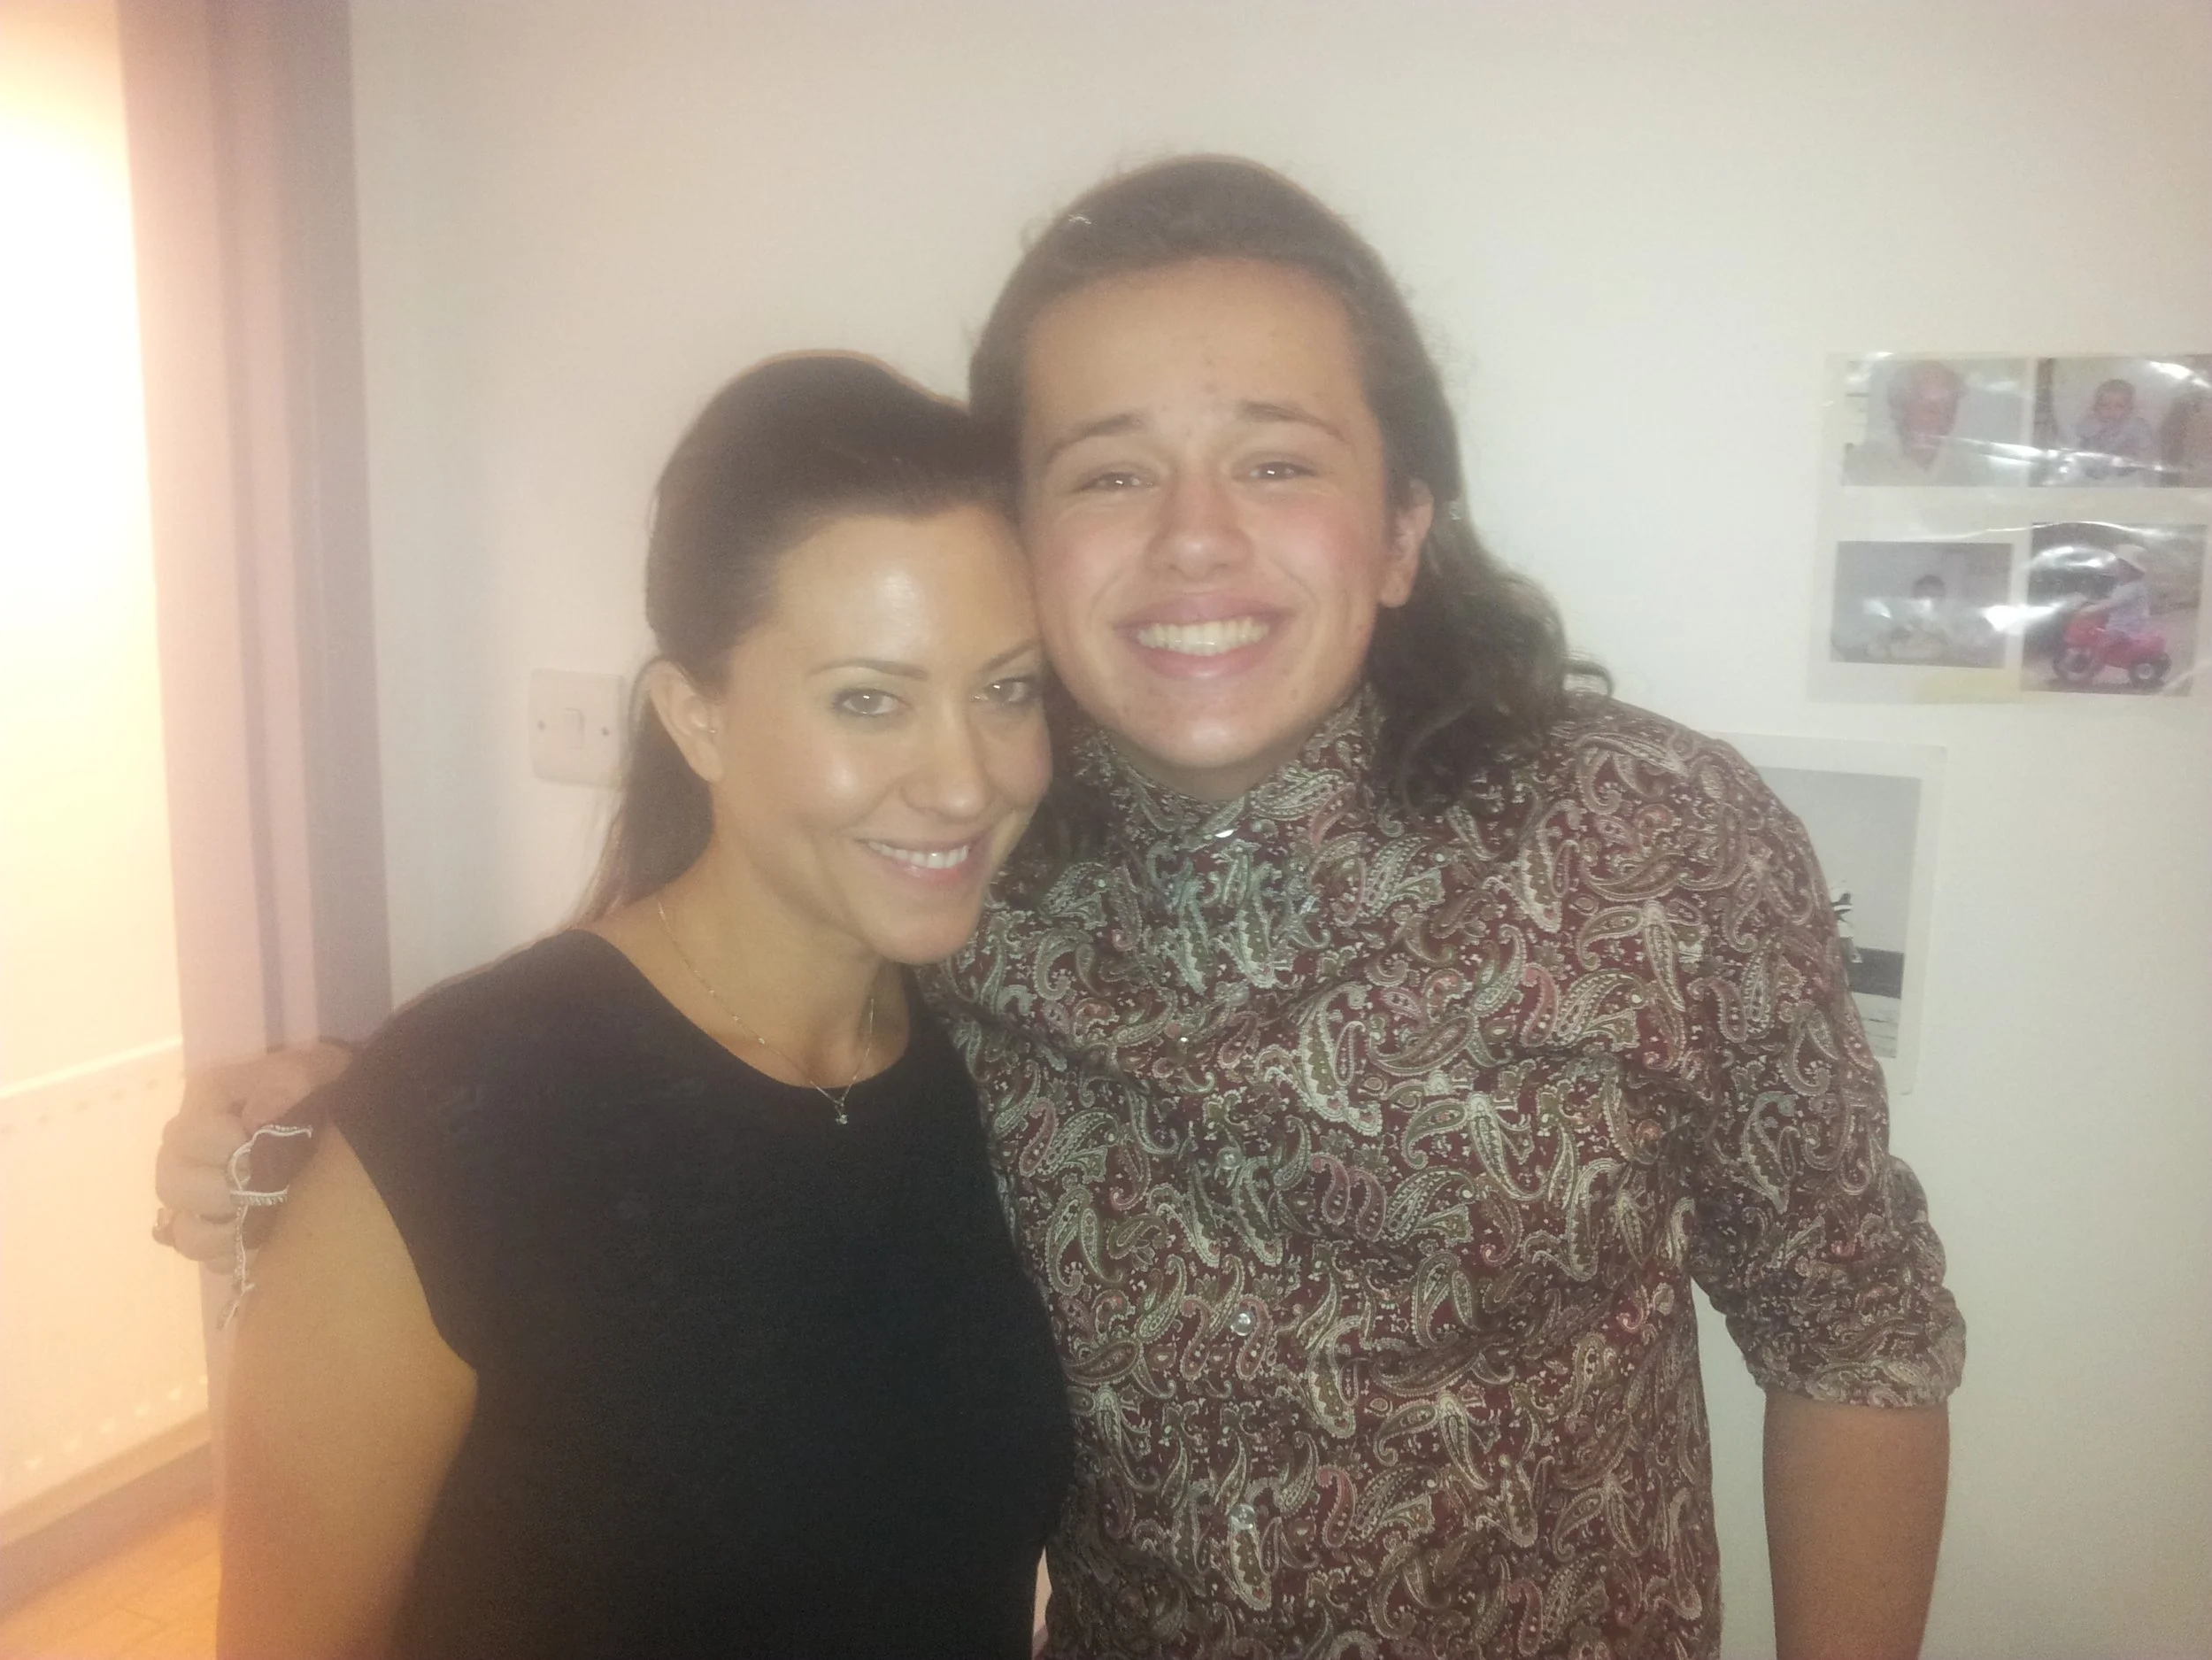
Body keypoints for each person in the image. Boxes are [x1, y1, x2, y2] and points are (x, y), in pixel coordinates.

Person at [164, 157, 1963, 1660]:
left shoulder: (1655, 840)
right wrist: (326, 1133)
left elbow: (1854, 1328)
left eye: (1276, 460)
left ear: (1403, 527)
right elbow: (672, 1067)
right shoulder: (980, 860)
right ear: (1025, 534)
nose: (1191, 537)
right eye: (1107, 468)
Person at [212, 354, 1072, 1659]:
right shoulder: (461, 1120)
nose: (963, 780)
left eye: (1006, 686)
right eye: (869, 699)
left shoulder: (997, 1067)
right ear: (698, 717)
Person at [1843, 358, 2002, 485]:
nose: (1939, 415)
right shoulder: (1863, 463)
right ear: (1901, 406)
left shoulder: (1975, 470)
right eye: (1926, 405)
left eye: (1948, 406)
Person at [2070, 377, 2157, 484]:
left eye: (2119, 406)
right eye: (2104, 405)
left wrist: (2143, 457)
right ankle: (2092, 473)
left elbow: (2146, 443)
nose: (2111, 410)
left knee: (2129, 459)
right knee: (2085, 450)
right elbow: (2079, 432)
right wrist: (2096, 424)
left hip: (2123, 461)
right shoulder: (2092, 420)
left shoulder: (2135, 424)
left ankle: (2122, 472)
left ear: (2130, 408)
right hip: (2095, 460)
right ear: (2095, 407)